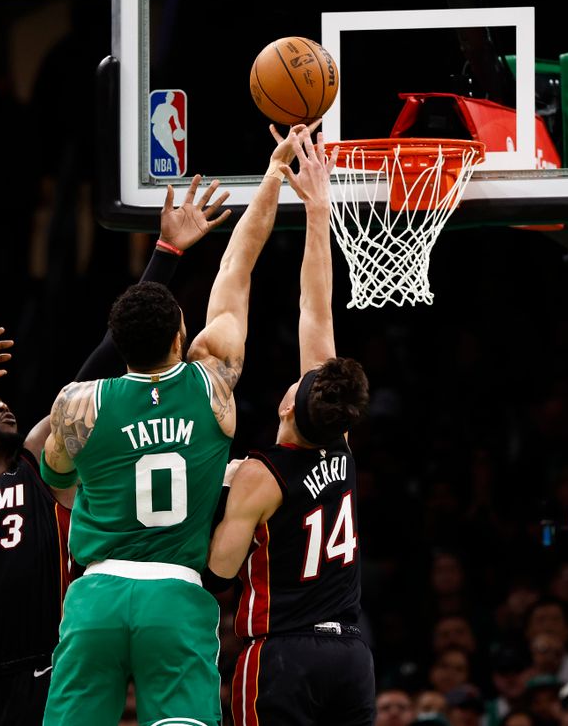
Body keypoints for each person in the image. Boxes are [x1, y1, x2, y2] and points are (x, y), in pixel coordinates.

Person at [0, 176, 231, 726]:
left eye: (1, 402)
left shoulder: (35, 467)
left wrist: (166, 255)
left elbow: (97, 370)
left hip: (41, 673)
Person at [41, 123, 308, 726]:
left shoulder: (78, 405)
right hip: (177, 594)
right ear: (183, 335)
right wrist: (271, 175)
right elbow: (238, 268)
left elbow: (56, 477)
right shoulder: (212, 382)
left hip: (96, 595)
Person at [205, 127, 374, 726]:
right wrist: (320, 210)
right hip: (351, 654)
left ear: (285, 406)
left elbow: (217, 575)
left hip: (283, 653)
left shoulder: (260, 476)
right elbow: (316, 308)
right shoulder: (341, 443)